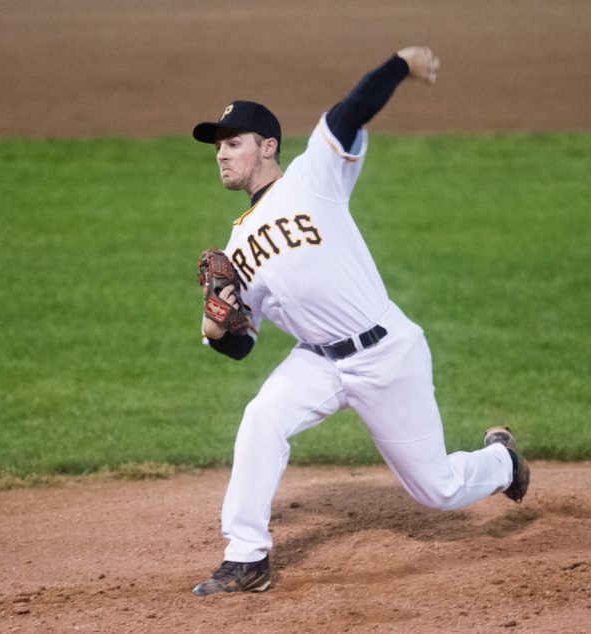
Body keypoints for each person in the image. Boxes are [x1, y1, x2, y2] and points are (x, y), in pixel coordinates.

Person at [190, 46, 530, 597]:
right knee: (261, 418)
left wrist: (400, 63)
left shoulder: (312, 179)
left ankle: (501, 463)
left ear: (268, 146)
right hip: (315, 362)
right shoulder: (235, 247)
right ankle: (246, 557)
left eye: (233, 143)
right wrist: (215, 328)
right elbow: (241, 346)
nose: (222, 155)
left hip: (386, 354)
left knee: (437, 490)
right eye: (217, 148)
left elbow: (349, 112)